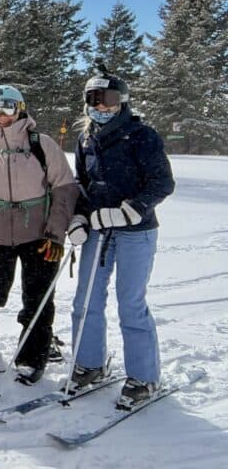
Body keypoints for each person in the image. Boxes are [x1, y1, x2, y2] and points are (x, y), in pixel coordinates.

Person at [0, 85, 79, 384]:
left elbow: (64, 189)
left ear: (20, 109)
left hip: (40, 236)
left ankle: (32, 357)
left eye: (8, 107)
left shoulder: (42, 144)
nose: (2, 115)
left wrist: (56, 234)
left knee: (38, 298)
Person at [66, 68, 175, 409]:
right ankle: (90, 364)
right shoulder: (86, 139)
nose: (101, 106)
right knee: (85, 300)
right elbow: (83, 184)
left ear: (123, 102)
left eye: (109, 99)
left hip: (136, 232)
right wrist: (78, 217)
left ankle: (143, 376)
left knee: (130, 303)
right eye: (94, 99)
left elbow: (162, 182)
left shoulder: (142, 136)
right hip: (98, 228)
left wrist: (131, 210)